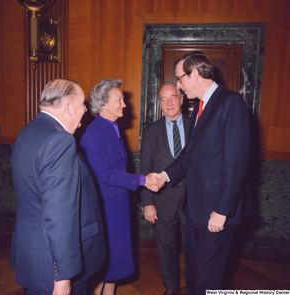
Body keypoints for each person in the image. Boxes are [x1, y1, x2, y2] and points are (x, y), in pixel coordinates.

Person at [157, 52, 252, 294]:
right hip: (196, 210)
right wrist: (164, 176)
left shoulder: (231, 102)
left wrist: (221, 211)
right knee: (195, 276)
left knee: (210, 281)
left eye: (180, 79)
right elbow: (190, 155)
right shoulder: (200, 107)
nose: (179, 86)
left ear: (195, 74)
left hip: (216, 212)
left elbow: (235, 162)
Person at [9, 78, 105, 295]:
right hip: (55, 267)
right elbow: (60, 214)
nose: (85, 111)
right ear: (69, 107)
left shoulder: (27, 132)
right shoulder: (60, 140)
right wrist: (63, 277)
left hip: (33, 258)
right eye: (83, 105)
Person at [79, 78, 164, 295]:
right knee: (103, 264)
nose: (124, 104)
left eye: (123, 100)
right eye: (119, 100)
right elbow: (106, 174)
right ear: (104, 104)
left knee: (114, 263)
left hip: (118, 204)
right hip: (105, 207)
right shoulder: (93, 133)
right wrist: (144, 180)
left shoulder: (113, 127)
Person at [140, 82, 190, 295]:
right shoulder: (151, 130)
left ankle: (196, 286)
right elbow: (145, 168)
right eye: (163, 99)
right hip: (162, 200)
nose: (168, 103)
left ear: (181, 99)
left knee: (194, 249)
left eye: (172, 97)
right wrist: (148, 203)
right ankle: (171, 287)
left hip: (193, 200)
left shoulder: (196, 125)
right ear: (159, 104)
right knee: (166, 248)